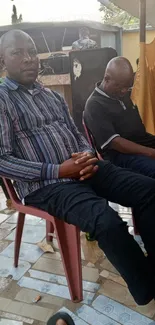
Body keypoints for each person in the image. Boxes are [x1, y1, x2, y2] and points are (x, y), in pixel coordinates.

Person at [1, 30, 155, 306]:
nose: (28, 59)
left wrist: (85, 157)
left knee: (150, 190)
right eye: (17, 53)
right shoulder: (2, 100)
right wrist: (60, 170)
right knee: (106, 221)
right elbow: (3, 160)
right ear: (3, 61)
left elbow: (78, 135)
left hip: (85, 169)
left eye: (32, 52)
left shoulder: (52, 97)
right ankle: (146, 286)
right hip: (48, 186)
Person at [84, 56, 155, 179]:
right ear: (106, 79)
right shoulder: (94, 105)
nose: (124, 91)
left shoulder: (123, 95)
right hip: (120, 156)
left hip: (142, 143)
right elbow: (115, 143)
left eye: (127, 87)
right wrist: (150, 152)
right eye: (120, 86)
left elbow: (139, 133)